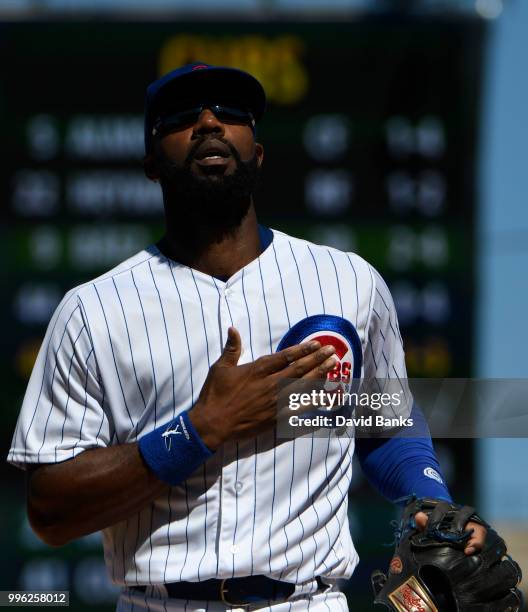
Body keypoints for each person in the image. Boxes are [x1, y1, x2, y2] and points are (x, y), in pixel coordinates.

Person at [8, 62, 487, 611]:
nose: (210, 122)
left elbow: (384, 419)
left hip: (307, 601)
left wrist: (429, 498)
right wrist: (199, 430)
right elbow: (49, 510)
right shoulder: (92, 311)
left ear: (257, 153)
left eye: (231, 112)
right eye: (182, 116)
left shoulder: (348, 281)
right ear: (150, 165)